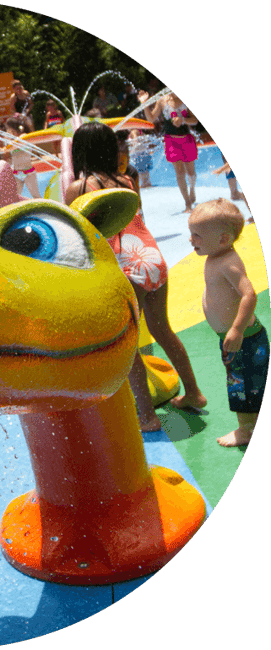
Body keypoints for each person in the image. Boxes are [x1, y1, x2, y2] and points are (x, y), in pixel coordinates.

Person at [65, 122, 206, 431]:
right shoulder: (127, 180)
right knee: (162, 329)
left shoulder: (78, 187)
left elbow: (76, 233)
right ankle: (194, 393)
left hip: (123, 264)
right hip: (150, 256)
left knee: (128, 344)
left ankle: (147, 417)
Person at [188, 199, 268, 447]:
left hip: (243, 339)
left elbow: (249, 295)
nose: (192, 240)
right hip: (236, 339)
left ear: (223, 239)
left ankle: (246, 430)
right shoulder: (215, 257)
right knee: (252, 382)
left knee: (242, 385)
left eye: (197, 236)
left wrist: (236, 329)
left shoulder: (228, 262)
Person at [138, 90, 199, 212]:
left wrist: (183, 120)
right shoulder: (162, 100)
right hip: (171, 141)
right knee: (180, 173)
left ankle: (192, 190)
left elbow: (195, 120)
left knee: (191, 174)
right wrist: (144, 103)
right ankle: (187, 204)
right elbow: (151, 119)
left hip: (186, 140)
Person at [5, 115, 40, 199]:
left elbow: (13, 147)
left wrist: (1, 149)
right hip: (17, 172)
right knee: (15, 197)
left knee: (36, 196)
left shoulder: (23, 136)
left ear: (13, 128)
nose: (7, 130)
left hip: (28, 172)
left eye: (8, 128)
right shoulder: (11, 140)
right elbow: (8, 152)